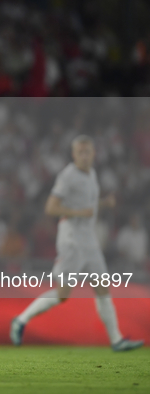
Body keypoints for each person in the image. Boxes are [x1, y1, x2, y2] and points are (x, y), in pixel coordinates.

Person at [10, 135, 144, 352]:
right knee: (63, 294)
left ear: (93, 153)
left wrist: (104, 204)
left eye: (87, 152)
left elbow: (88, 204)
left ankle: (116, 339)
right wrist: (78, 212)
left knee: (102, 287)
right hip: (71, 238)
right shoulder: (68, 176)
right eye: (80, 152)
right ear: (73, 155)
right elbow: (51, 208)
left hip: (88, 238)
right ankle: (21, 320)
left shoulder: (91, 174)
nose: (84, 156)